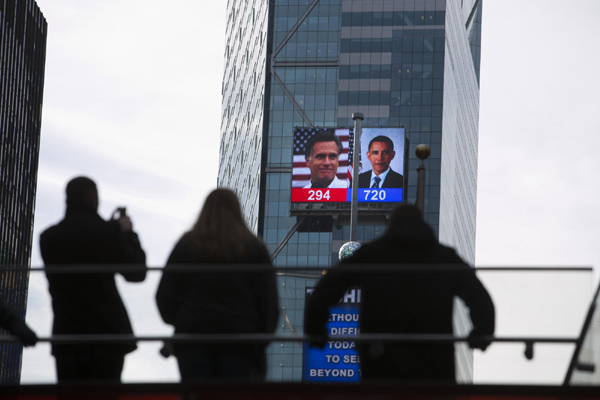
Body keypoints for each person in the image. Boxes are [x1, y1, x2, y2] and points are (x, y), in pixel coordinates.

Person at [305, 204, 495, 382]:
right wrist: (481, 335)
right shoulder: (445, 258)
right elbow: (480, 299)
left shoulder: (372, 255)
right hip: (434, 360)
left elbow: (326, 290)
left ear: (392, 225)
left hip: (381, 358)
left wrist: (315, 331)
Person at [155, 189, 279, 382]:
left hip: (193, 338)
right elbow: (268, 301)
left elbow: (164, 295)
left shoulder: (187, 245)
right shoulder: (254, 248)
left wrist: (183, 320)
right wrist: (259, 337)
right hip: (240, 339)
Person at [40, 177, 146, 383]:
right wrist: (127, 233)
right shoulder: (107, 233)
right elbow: (137, 272)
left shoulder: (49, 237)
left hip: (67, 335)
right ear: (93, 197)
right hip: (107, 335)